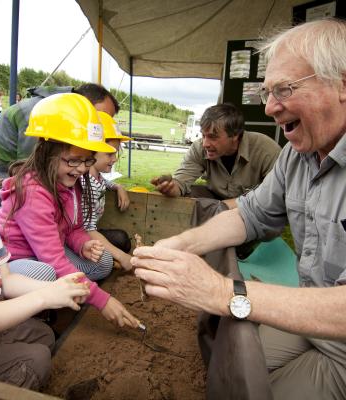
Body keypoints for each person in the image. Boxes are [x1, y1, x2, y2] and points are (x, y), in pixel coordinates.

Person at [132, 18, 346, 400]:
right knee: (236, 367)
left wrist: (220, 291)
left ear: (341, 83)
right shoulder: (299, 157)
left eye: (284, 89)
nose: (269, 106)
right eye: (267, 91)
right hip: (313, 321)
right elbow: (250, 215)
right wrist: (181, 243)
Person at [0, 100, 91, 390]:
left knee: (42, 335)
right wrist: (42, 299)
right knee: (34, 359)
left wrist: (53, 289)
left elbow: (6, 279)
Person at [0, 93, 139, 329]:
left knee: (102, 262)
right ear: (46, 152)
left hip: (47, 252)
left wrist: (82, 244)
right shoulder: (32, 191)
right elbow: (53, 260)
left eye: (88, 160)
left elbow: (74, 227)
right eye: (73, 160)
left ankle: (65, 294)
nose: (81, 168)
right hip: (16, 261)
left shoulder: (70, 183)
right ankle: (34, 317)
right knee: (47, 275)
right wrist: (102, 301)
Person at [151, 103, 281, 209]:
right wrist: (171, 188)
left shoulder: (265, 150)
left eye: (213, 137)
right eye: (203, 135)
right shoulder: (198, 147)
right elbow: (180, 182)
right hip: (216, 201)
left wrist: (226, 207)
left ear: (235, 135)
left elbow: (275, 197)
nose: (205, 144)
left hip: (253, 209)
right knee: (188, 194)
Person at [0, 83, 120, 178]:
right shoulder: (41, 113)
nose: (103, 124)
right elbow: (29, 170)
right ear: (83, 103)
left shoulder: (62, 111)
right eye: (101, 116)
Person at [81, 111, 132, 270]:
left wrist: (118, 187)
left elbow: (104, 183)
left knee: (122, 239)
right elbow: (86, 230)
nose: (115, 158)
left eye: (115, 153)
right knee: (107, 260)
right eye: (110, 154)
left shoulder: (97, 177)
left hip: (92, 229)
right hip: (83, 236)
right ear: (91, 151)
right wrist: (121, 256)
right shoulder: (85, 185)